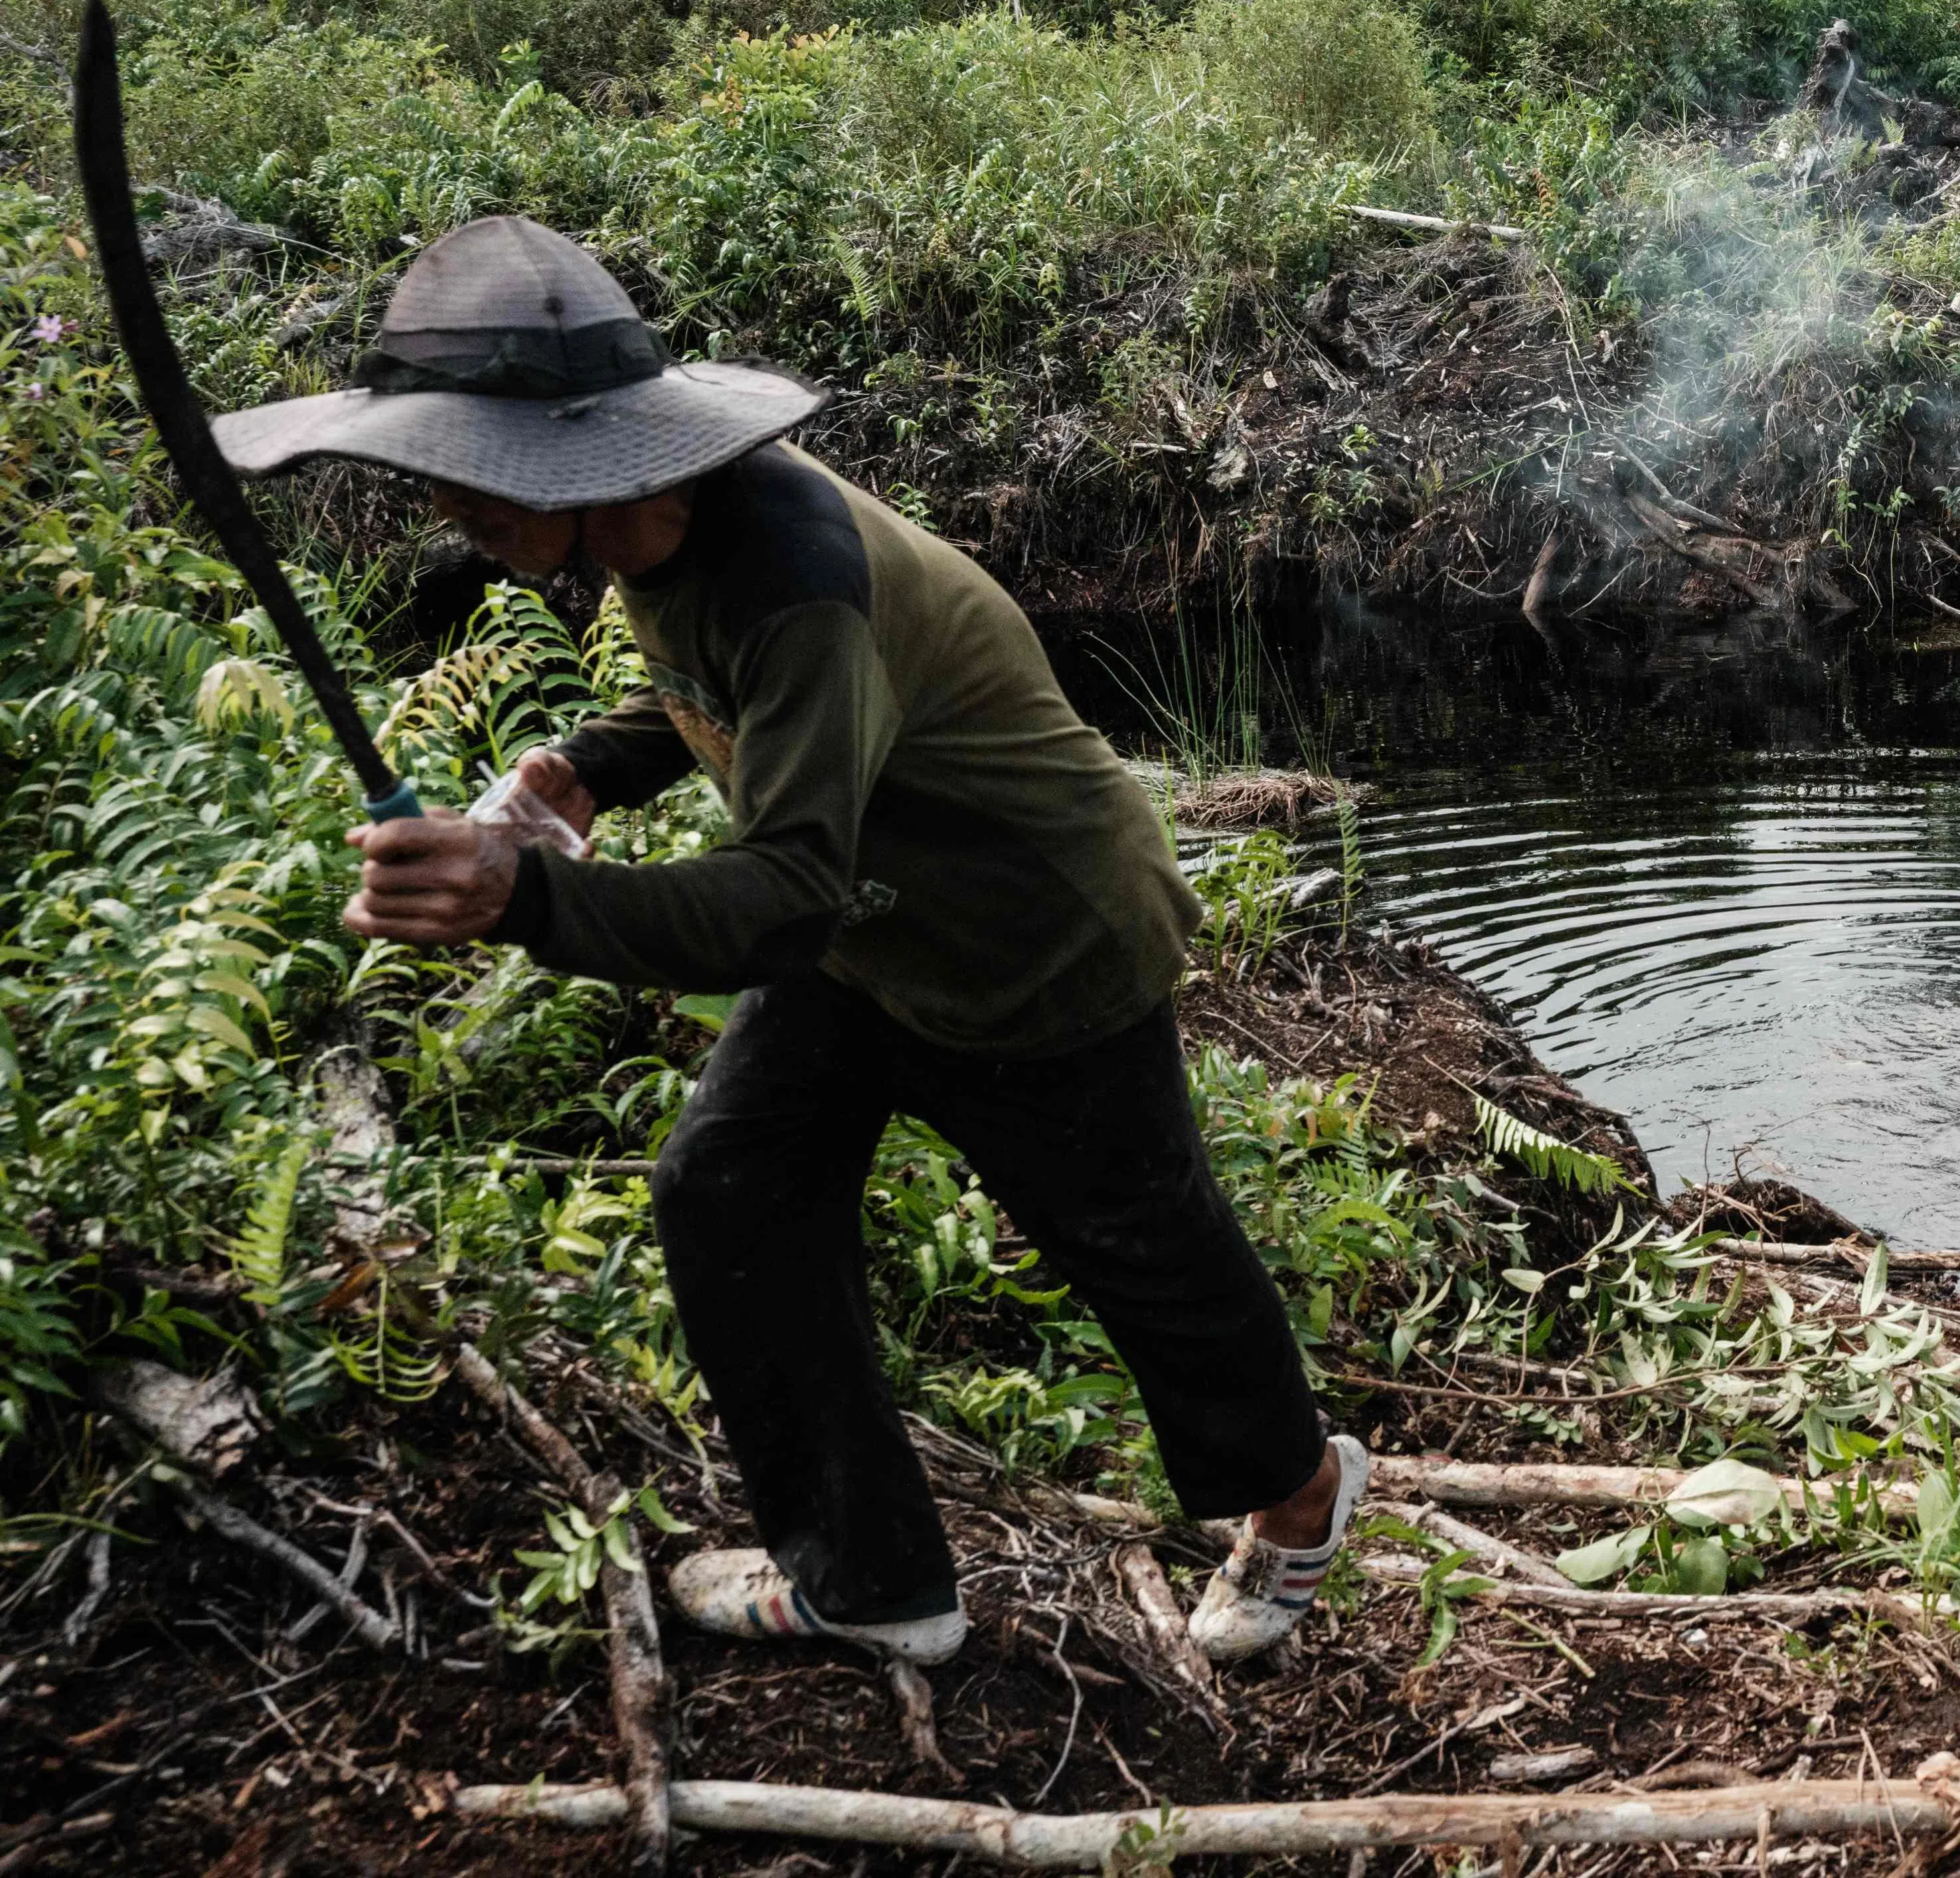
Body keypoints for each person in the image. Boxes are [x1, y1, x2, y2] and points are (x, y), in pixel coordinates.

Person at [219, 216, 1368, 1671]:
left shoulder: (793, 572)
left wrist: (525, 896)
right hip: (863, 928)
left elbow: (783, 893)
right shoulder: (656, 529)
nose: (458, 506)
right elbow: (717, 694)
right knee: (729, 1186)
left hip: (1034, 933)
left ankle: (1303, 1491)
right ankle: (875, 1574)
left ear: (590, 461)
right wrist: (586, 769)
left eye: (485, 478)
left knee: (1141, 1246)